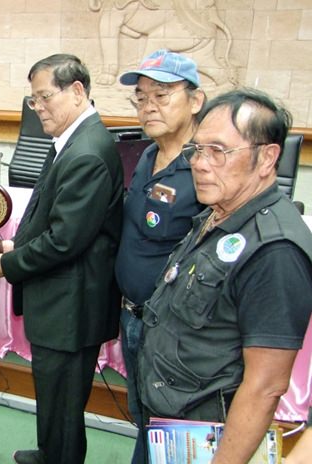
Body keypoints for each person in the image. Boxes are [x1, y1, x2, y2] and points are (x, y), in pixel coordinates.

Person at [138, 88, 312, 463]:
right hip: (170, 419)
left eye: (218, 151)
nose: (200, 164)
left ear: (268, 158)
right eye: (197, 149)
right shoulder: (220, 213)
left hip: (206, 439)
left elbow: (265, 386)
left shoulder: (275, 251)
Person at [0, 54, 124, 464]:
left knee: (63, 402)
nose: (38, 108)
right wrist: (16, 245)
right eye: (33, 100)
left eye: (45, 97)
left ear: (77, 91)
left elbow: (64, 241)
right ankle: (49, 454)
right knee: (55, 395)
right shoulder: (72, 140)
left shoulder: (87, 152)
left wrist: (8, 264)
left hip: (71, 306)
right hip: (62, 299)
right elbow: (50, 215)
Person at [114, 49, 206, 464]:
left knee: (170, 424)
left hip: (174, 330)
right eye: (141, 97)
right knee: (144, 415)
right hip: (133, 316)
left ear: (195, 100)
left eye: (162, 95)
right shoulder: (147, 154)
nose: (148, 106)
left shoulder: (205, 166)